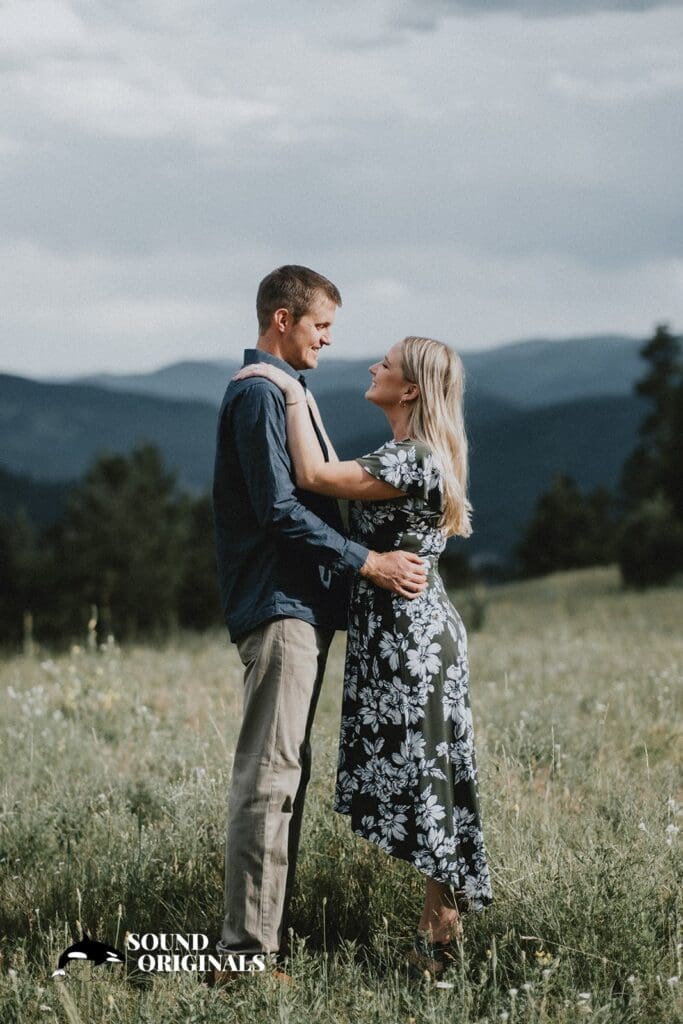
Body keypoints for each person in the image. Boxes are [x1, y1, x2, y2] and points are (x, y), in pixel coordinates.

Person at [234, 334, 493, 979]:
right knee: (428, 774)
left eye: (388, 364)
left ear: (408, 389)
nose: (374, 365)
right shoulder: (409, 454)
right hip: (406, 631)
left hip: (411, 637)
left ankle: (440, 940)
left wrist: (289, 390)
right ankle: (441, 935)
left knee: (427, 778)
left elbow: (313, 478)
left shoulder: (411, 459)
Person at [212, 266, 428, 978]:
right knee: (269, 779)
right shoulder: (259, 396)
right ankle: (245, 957)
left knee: (285, 777)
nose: (329, 341)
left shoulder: (283, 392)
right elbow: (278, 509)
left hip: (299, 608)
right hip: (279, 606)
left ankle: (260, 944)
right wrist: (368, 562)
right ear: (281, 319)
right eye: (319, 326)